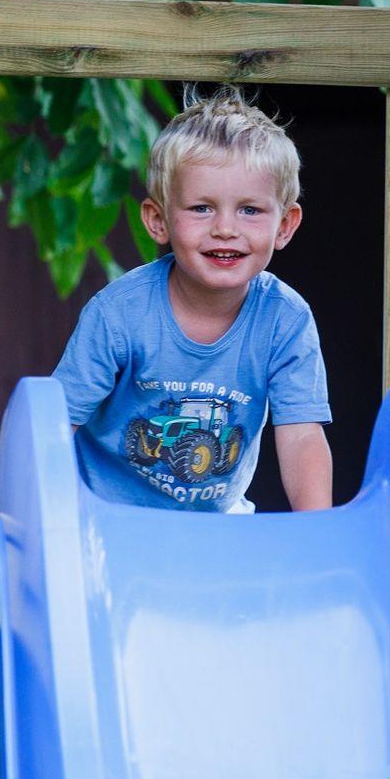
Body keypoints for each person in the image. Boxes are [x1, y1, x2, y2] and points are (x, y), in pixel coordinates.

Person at [53, 86, 333, 512]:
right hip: (104, 516)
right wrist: (46, 515)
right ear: (158, 220)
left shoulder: (284, 318)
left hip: (215, 523)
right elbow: (58, 423)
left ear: (284, 225)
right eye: (202, 208)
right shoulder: (120, 312)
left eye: (250, 210)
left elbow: (301, 435)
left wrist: (318, 529)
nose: (225, 229)